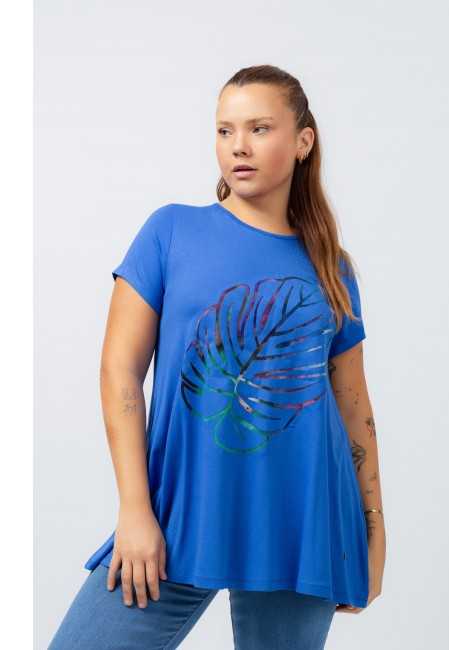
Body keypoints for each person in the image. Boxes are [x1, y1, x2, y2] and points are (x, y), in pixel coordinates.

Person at [48, 64, 386, 650]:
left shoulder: (333, 268)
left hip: (303, 526)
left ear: (303, 141)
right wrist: (134, 510)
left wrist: (375, 532)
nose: (238, 146)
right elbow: (119, 372)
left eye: (259, 128)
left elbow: (353, 406)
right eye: (225, 130)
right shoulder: (171, 231)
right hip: (178, 515)